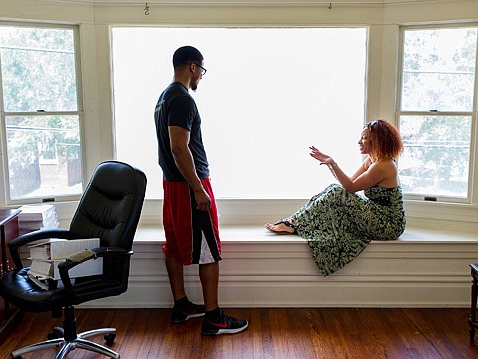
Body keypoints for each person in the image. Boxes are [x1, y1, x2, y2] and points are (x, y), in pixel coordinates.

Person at [154, 46, 248, 335]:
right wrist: (198, 188)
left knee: (173, 243)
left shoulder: (163, 97)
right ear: (193, 67)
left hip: (171, 184)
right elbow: (179, 148)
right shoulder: (183, 99)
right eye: (202, 71)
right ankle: (213, 318)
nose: (201, 78)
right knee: (208, 248)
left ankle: (181, 306)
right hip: (187, 186)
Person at [265, 119, 406, 276]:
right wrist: (329, 164)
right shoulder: (371, 161)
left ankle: (292, 223)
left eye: (364, 138)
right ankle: (292, 222)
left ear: (377, 140)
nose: (359, 141)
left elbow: (349, 188)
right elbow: (349, 184)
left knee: (337, 192)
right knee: (334, 189)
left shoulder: (384, 165)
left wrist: (332, 163)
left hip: (389, 223)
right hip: (377, 214)